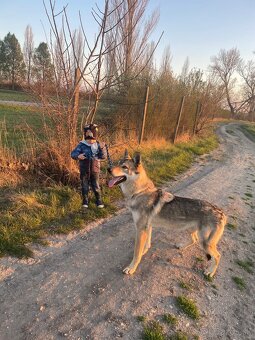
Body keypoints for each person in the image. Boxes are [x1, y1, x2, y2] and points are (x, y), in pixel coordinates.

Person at [71, 124, 107, 208]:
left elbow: (103, 156)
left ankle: (99, 200)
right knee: (84, 185)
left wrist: (102, 148)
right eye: (88, 139)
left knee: (96, 185)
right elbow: (73, 154)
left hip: (95, 169)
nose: (90, 142)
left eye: (92, 139)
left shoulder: (98, 145)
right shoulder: (81, 145)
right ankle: (85, 200)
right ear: (85, 136)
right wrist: (78, 156)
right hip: (84, 169)